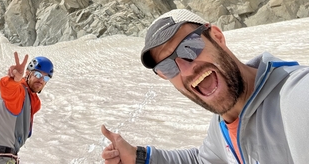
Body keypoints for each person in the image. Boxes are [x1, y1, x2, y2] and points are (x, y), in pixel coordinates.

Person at [101, 8, 309, 164]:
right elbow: (202, 160)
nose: (186, 70)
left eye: (189, 47)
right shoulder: (222, 125)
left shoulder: (295, 97)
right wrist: (138, 157)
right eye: (167, 67)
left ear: (217, 37)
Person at [0, 52, 54, 164]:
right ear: (27, 74)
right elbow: (9, 90)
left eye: (46, 78)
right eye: (37, 75)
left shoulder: (30, 100)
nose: (41, 80)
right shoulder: (20, 92)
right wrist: (14, 80)